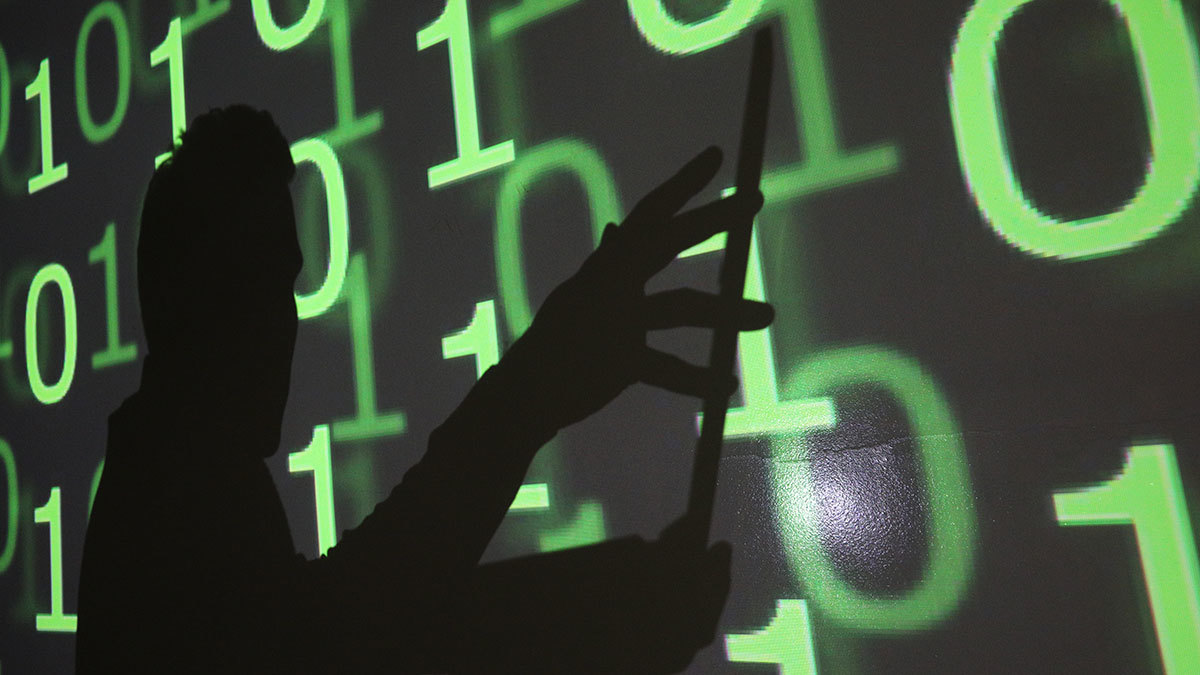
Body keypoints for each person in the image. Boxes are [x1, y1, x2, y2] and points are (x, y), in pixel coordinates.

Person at [75, 105, 770, 673]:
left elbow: (340, 628)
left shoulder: (168, 483)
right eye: (243, 281)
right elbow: (333, 641)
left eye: (280, 284)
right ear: (167, 297)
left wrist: (622, 597)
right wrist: (531, 393)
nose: (276, 323)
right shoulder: (173, 493)